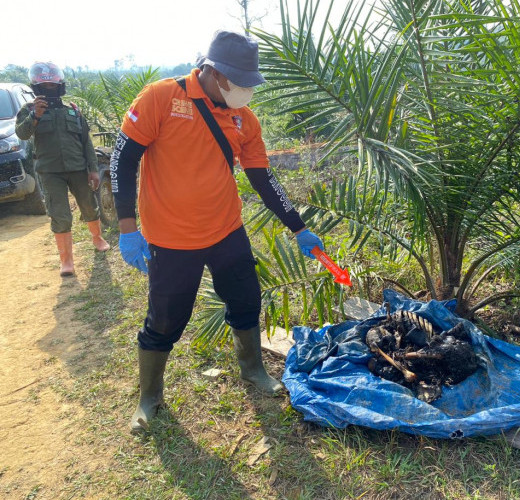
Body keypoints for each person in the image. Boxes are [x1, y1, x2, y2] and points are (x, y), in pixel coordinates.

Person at [110, 30, 325, 433]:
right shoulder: (160, 97)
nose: (246, 91)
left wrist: (298, 227)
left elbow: (262, 177)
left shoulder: (244, 117)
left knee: (246, 299)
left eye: (250, 84)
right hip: (170, 237)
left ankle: (252, 370)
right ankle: (149, 397)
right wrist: (127, 228)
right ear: (214, 72)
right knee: (165, 318)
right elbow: (123, 162)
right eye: (240, 83)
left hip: (226, 228)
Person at [15, 62, 110, 276]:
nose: (48, 88)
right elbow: (22, 134)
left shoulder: (73, 110)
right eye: (44, 85)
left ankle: (97, 238)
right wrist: (35, 116)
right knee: (60, 214)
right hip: (50, 172)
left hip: (78, 168)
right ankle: (66, 261)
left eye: (52, 84)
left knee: (88, 206)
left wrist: (93, 169)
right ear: (37, 87)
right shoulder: (29, 109)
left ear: (59, 85)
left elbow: (85, 141)